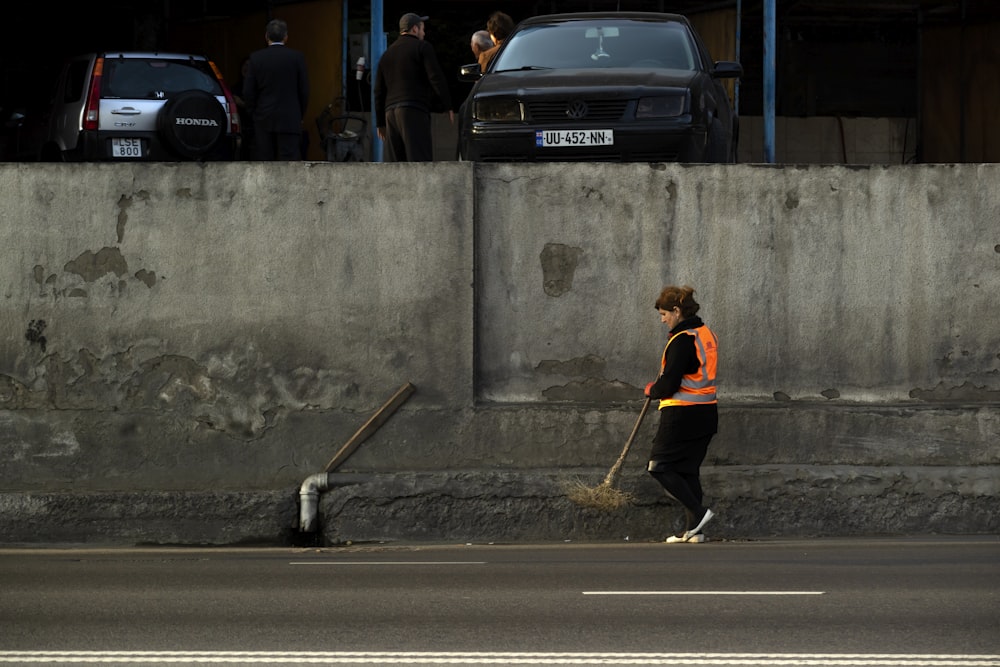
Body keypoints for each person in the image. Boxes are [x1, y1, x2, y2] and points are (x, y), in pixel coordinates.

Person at [643, 285, 719, 544]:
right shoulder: (706, 335)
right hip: (707, 412)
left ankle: (699, 513)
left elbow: (670, 384)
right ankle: (694, 531)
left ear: (677, 311)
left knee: (659, 466)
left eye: (664, 314)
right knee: (687, 471)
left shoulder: (682, 340)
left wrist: (653, 389)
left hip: (682, 414)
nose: (663, 320)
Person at [374, 13, 454, 162]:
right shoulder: (422, 47)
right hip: (413, 110)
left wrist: (380, 122)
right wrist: (447, 105)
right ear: (415, 29)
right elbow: (435, 77)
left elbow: (378, 90)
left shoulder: (387, 54)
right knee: (419, 162)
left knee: (396, 165)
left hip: (390, 114)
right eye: (422, 29)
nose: (424, 33)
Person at [243, 19, 310, 160]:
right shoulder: (297, 57)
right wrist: (299, 114)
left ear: (266, 36)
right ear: (286, 37)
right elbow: (304, 90)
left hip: (263, 118)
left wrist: (254, 113)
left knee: (265, 161)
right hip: (290, 118)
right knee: (289, 162)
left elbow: (248, 91)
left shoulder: (256, 58)